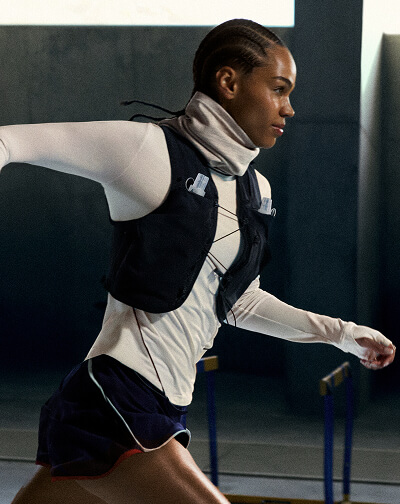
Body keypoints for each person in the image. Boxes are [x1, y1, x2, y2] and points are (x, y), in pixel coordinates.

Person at [1, 18, 395, 504]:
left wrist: (342, 334)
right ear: (229, 82)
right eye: (278, 89)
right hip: (117, 398)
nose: (289, 108)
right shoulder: (148, 151)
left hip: (164, 404)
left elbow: (239, 302)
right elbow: (10, 142)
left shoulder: (254, 189)